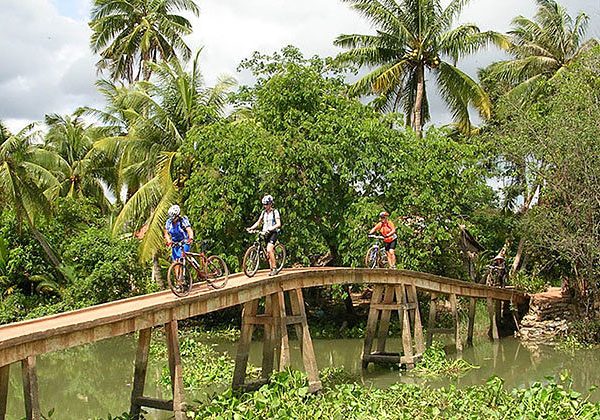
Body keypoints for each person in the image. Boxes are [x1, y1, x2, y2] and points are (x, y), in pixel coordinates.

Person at [247, 194, 282, 276]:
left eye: (266, 204)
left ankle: (274, 268)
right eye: (264, 204)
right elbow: (258, 222)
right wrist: (251, 228)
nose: (265, 206)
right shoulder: (263, 213)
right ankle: (271, 269)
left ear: (270, 204)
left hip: (273, 232)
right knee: (267, 253)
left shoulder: (275, 212)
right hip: (265, 233)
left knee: (269, 250)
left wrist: (271, 228)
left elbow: (279, 224)